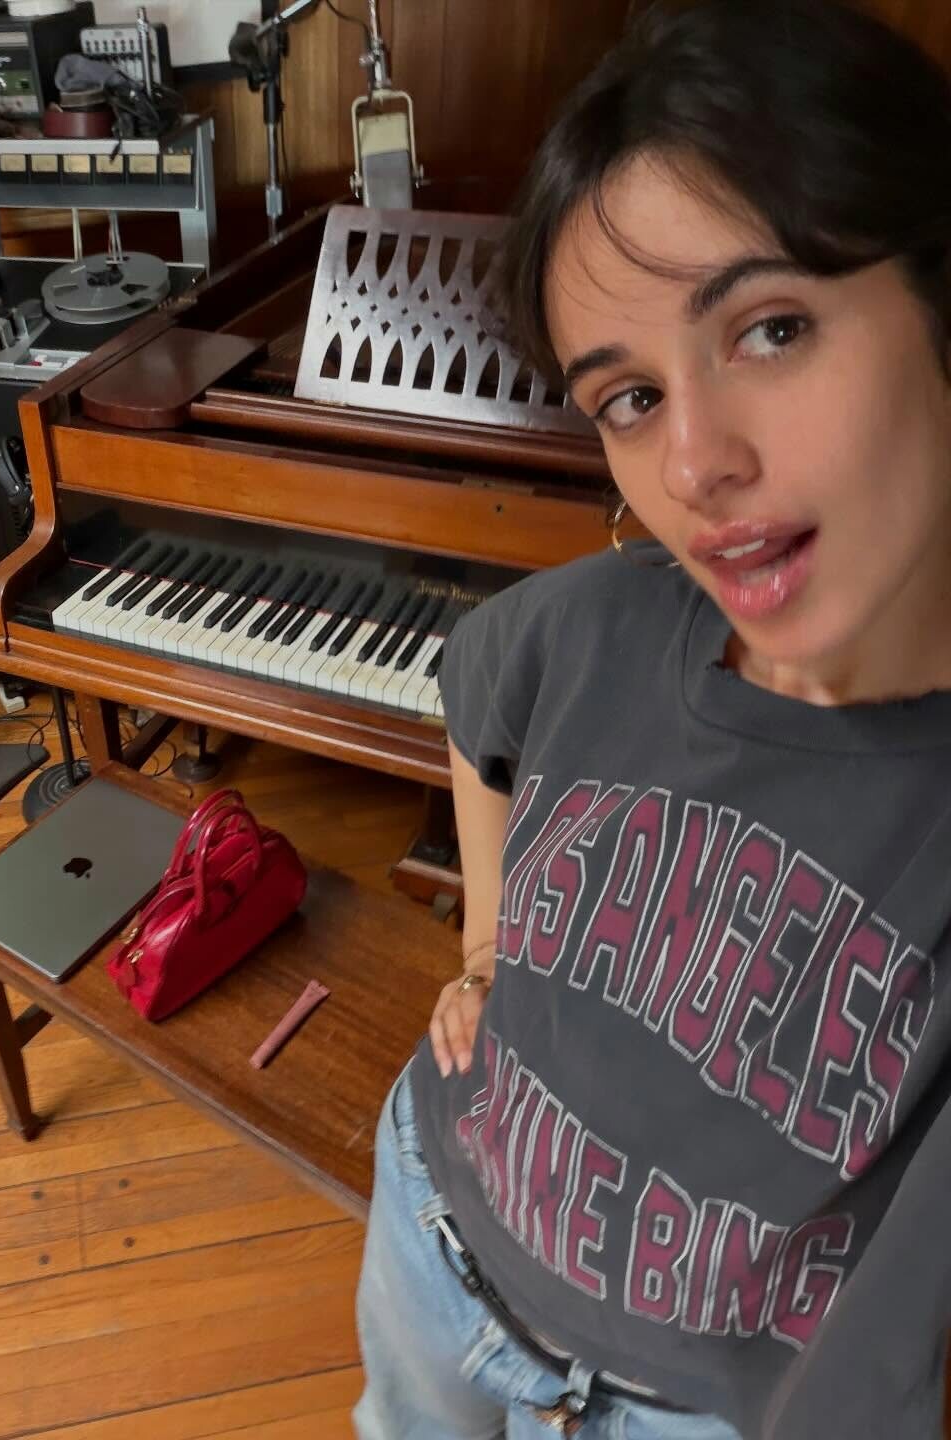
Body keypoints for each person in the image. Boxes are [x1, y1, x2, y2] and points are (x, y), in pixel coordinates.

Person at [352, 1, 951, 1437]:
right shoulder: (596, 621)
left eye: (773, 327)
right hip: (436, 1226)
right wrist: (488, 947)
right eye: (626, 398)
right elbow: (474, 698)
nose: (693, 463)